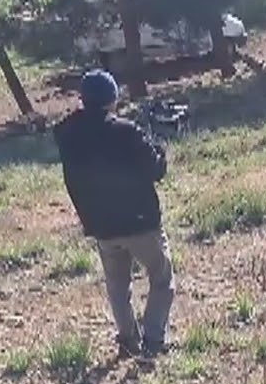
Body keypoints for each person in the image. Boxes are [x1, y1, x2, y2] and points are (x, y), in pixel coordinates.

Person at [53, 69, 175, 360]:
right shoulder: (125, 132)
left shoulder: (67, 134)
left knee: (118, 284)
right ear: (112, 98)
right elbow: (155, 170)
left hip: (100, 224)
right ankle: (153, 342)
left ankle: (128, 340)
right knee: (161, 278)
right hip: (140, 222)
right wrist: (158, 148)